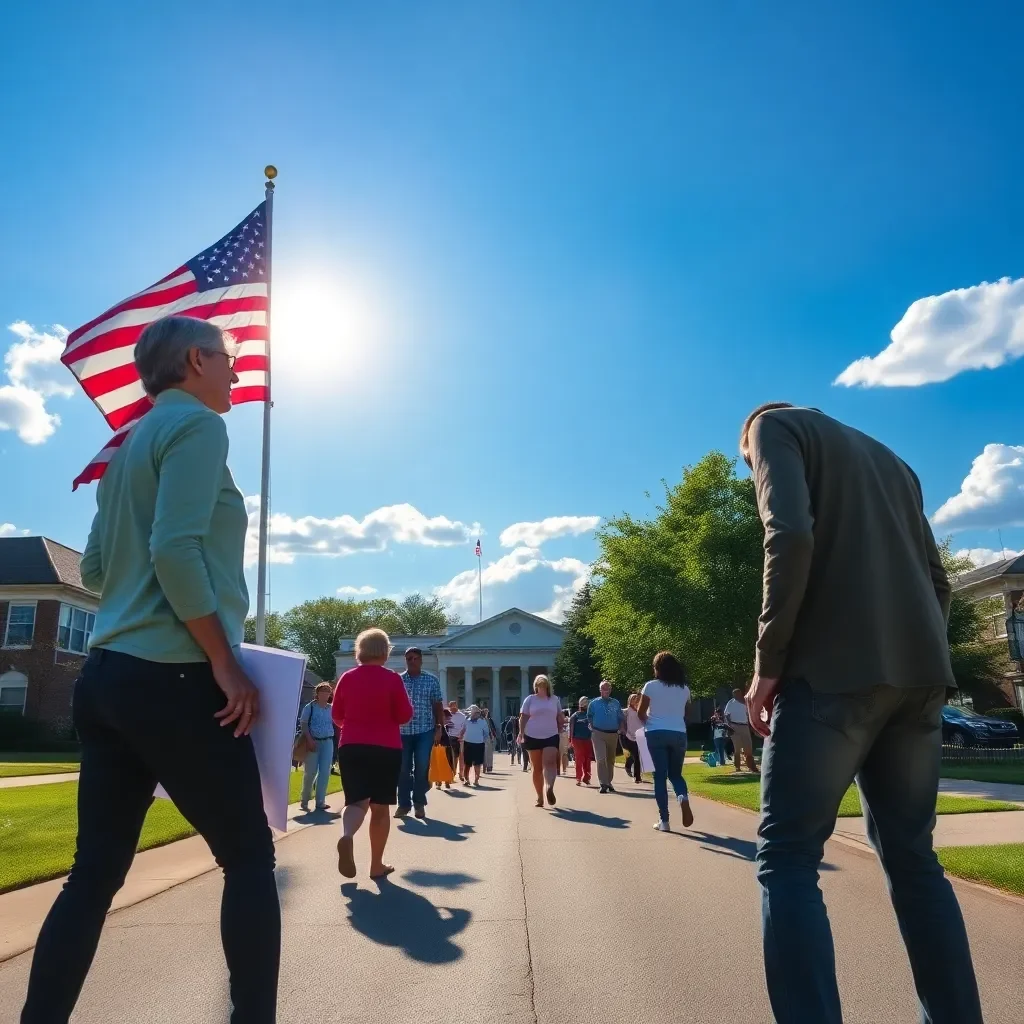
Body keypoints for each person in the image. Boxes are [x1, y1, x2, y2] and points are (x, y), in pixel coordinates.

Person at [21, 316, 279, 1024]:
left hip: (104, 679)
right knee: (248, 860)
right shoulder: (198, 427)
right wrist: (224, 662)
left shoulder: (130, 445)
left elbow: (100, 568)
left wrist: (144, 600)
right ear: (196, 361)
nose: (235, 370)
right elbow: (174, 546)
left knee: (93, 877)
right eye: (227, 359)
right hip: (174, 677)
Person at [740, 403, 983, 1024]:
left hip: (828, 675)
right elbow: (940, 579)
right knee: (913, 858)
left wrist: (769, 660)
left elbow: (789, 533)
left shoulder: (773, 429)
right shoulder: (896, 465)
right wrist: (920, 649)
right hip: (921, 679)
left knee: (788, 856)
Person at [333, 628, 413, 880]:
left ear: (360, 651)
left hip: (352, 746)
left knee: (356, 801)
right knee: (380, 808)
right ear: (385, 652)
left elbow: (336, 715)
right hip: (385, 748)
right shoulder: (393, 679)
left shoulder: (347, 677)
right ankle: (376, 865)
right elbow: (404, 715)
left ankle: (346, 836)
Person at [639, 651, 694, 832]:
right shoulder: (684, 689)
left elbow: (641, 712)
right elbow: (687, 714)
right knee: (676, 775)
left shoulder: (650, 686)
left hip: (656, 733)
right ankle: (683, 797)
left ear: (658, 668)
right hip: (678, 733)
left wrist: (650, 724)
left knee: (660, 777)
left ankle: (664, 821)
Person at [396, 647, 444, 820]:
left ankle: (419, 804)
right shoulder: (398, 680)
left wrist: (439, 727)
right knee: (403, 769)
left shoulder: (431, 680)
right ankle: (403, 804)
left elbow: (437, 705)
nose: (412, 661)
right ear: (405, 660)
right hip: (403, 731)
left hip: (425, 730)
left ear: (421, 660)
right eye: (409, 658)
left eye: (416, 658)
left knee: (421, 768)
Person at [519, 674, 564, 807]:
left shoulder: (554, 699)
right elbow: (523, 717)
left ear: (547, 686)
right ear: (536, 686)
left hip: (551, 735)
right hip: (532, 736)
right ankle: (542, 794)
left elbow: (559, 715)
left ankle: (547, 789)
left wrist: (561, 724)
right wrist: (521, 733)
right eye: (539, 685)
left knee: (547, 764)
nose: (541, 687)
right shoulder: (530, 699)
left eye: (543, 685)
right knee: (538, 768)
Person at [299, 682, 337, 812]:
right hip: (313, 742)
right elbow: (303, 724)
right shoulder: (310, 707)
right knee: (310, 772)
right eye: (323, 691)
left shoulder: (331, 708)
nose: (325, 694)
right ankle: (304, 800)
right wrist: (309, 740)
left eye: (328, 691)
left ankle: (320, 801)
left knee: (325, 772)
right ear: (317, 693)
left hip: (328, 742)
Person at [587, 680, 624, 793]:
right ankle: (603, 783)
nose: (606, 690)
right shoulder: (593, 703)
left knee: (610, 759)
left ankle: (608, 782)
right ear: (600, 690)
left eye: (607, 688)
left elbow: (621, 718)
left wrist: (621, 728)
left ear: (610, 690)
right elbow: (589, 717)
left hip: (613, 733)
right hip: (598, 733)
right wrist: (592, 727)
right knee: (601, 758)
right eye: (603, 688)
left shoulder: (616, 703)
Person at [725, 687, 758, 774]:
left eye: (737, 693)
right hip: (734, 726)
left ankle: (751, 766)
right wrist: (729, 725)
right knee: (737, 748)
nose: (736, 695)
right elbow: (727, 714)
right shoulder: (731, 703)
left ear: (740, 694)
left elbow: (750, 714)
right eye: (734, 694)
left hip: (744, 725)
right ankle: (737, 767)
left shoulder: (746, 702)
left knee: (748, 747)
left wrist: (752, 725)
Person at [461, 705, 490, 785]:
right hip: (467, 743)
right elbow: (463, 729)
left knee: (477, 763)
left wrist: (482, 740)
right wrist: (461, 736)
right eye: (474, 713)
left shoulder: (482, 721)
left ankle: (476, 780)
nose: (475, 714)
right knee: (467, 763)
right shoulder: (467, 720)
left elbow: (486, 733)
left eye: (477, 712)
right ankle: (466, 779)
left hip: (479, 744)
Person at [567, 697, 593, 786]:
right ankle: (578, 778)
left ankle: (587, 777)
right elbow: (571, 729)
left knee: (587, 759)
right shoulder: (575, 716)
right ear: (580, 704)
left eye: (586, 703)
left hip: (588, 739)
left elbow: (592, 727)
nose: (585, 705)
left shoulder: (589, 715)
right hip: (577, 740)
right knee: (579, 758)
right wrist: (570, 740)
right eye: (583, 703)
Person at [621, 692, 644, 783]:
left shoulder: (641, 711)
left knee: (638, 757)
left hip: (640, 736)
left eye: (637, 698)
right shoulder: (626, 711)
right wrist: (623, 730)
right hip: (629, 736)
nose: (635, 700)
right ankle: (629, 768)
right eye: (633, 698)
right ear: (630, 701)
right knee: (633, 755)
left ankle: (637, 777)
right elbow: (622, 722)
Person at [445, 700, 467, 781]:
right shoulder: (447, 714)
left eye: (454, 706)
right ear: (449, 707)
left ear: (457, 706)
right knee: (451, 757)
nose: (453, 708)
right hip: (449, 737)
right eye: (451, 706)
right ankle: (452, 773)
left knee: (460, 757)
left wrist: (461, 735)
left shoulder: (461, 716)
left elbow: (465, 726)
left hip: (459, 738)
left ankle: (460, 773)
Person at [482, 706, 496, 772]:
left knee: (489, 753)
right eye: (485, 712)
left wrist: (492, 737)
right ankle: (485, 766)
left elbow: (492, 729)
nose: (486, 713)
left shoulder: (489, 720)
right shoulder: (482, 720)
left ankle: (489, 766)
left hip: (488, 738)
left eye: (487, 712)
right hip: (483, 738)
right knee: (485, 753)